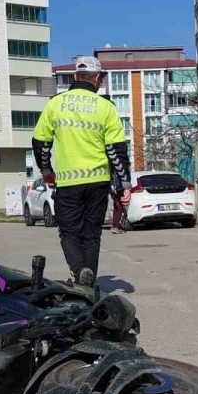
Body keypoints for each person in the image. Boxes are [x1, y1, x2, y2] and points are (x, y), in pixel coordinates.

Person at [32, 56, 132, 283]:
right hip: (98, 181)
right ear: (97, 79)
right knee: (92, 235)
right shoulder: (106, 107)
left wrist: (46, 170)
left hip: (68, 182)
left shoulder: (55, 104)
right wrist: (124, 184)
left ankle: (79, 272)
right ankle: (89, 280)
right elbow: (116, 150)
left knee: (69, 233)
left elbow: (41, 144)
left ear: (76, 76)